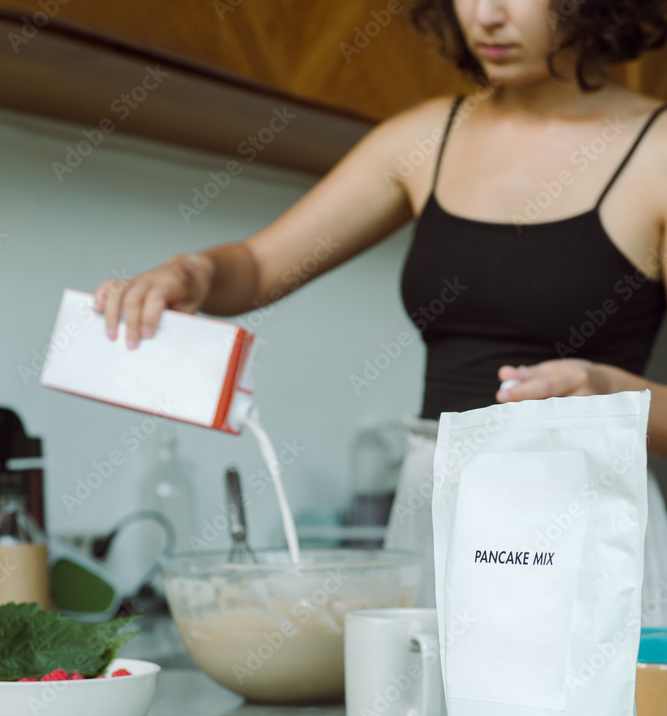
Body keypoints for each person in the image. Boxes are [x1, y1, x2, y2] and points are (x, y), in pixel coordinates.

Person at [94, 0, 667, 619]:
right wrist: (194, 273)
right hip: (435, 503)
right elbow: (257, 267)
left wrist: (607, 392)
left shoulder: (656, 152)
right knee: (428, 682)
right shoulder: (425, 137)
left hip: (586, 521)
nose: (487, 15)